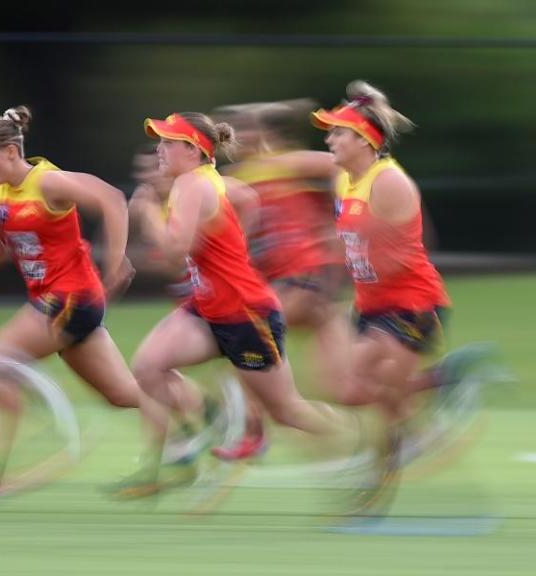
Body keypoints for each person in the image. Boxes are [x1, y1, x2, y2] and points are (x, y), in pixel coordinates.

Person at [0, 105, 169, 500]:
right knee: (121, 395)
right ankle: (202, 410)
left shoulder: (48, 183)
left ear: (11, 152)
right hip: (58, 302)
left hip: (70, 299)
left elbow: (113, 200)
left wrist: (115, 264)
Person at [127, 111, 347, 495]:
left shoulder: (192, 186)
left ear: (193, 150)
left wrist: (146, 213)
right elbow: (246, 198)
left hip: (246, 315)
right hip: (207, 308)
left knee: (286, 411)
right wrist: (234, 243)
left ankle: (351, 440)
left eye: (167, 142)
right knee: (148, 366)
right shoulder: (207, 182)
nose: (159, 150)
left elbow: (177, 250)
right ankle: (193, 438)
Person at [310, 81, 457, 510]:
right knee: (353, 393)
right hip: (372, 306)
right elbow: (350, 244)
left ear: (362, 140)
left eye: (338, 132)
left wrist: (343, 248)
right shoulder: (343, 178)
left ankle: (377, 478)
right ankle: (444, 381)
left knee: (389, 405)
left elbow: (394, 257)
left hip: (412, 304)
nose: (329, 138)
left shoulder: (388, 183)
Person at [208, 100, 350, 460]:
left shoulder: (287, 163)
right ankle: (417, 401)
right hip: (288, 284)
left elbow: (347, 167)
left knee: (248, 338)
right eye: (239, 131)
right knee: (347, 388)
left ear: (267, 134)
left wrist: (339, 218)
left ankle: (256, 432)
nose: (245, 137)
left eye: (251, 129)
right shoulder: (237, 177)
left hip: (304, 275)